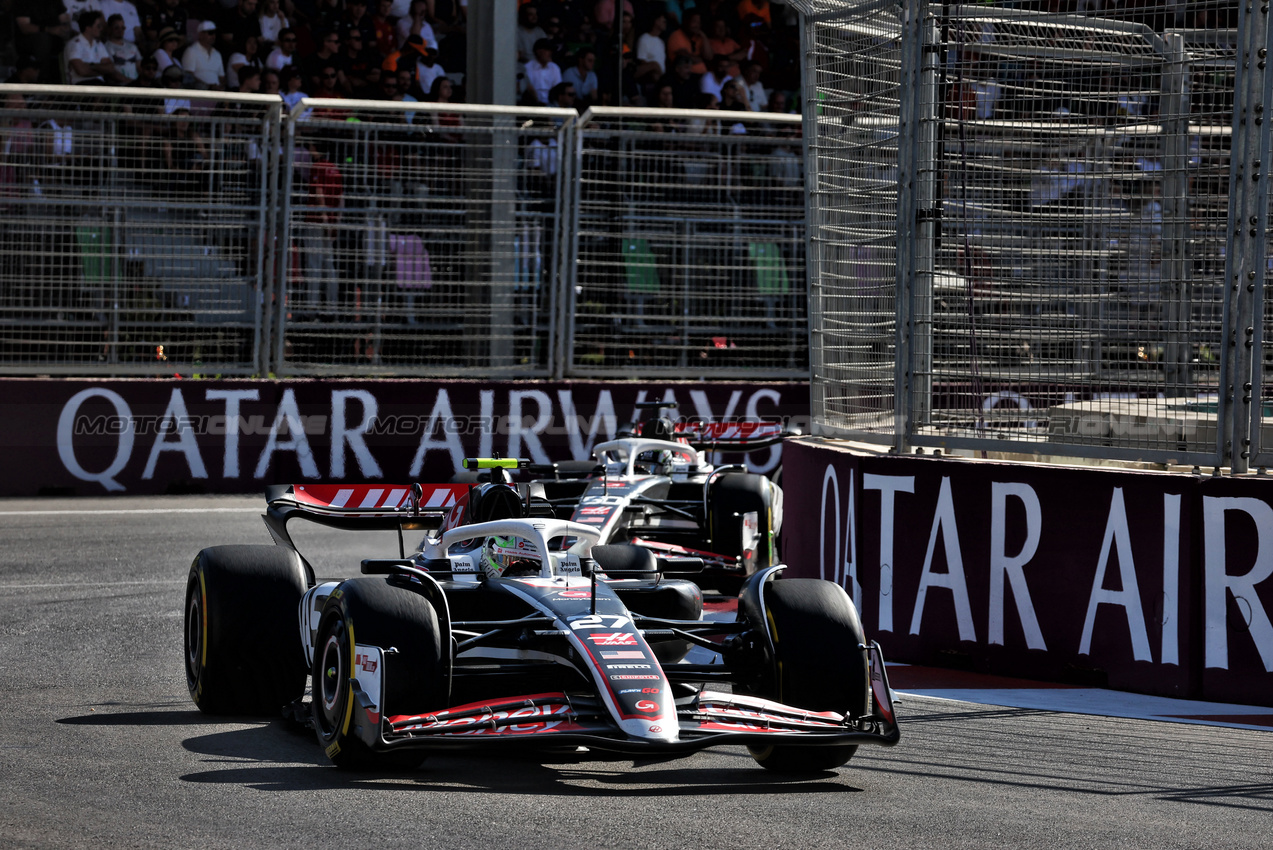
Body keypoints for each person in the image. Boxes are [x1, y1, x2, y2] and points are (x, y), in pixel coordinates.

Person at [14, 0, 71, 83]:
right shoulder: (23, 2)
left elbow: (64, 19)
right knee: (43, 39)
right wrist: (49, 30)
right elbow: (24, 27)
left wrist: (65, 28)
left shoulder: (55, 2)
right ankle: (42, 80)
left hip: (55, 40)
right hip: (30, 42)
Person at [66, 11, 127, 85]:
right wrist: (101, 70)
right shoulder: (75, 44)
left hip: (99, 84)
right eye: (98, 26)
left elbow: (111, 68)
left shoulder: (99, 44)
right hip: (80, 86)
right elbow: (82, 71)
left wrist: (91, 66)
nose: (101, 29)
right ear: (88, 28)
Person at [182, 20, 226, 89]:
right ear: (201, 34)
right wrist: (208, 87)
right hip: (199, 94)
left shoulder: (217, 54)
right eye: (210, 33)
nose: (213, 36)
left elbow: (222, 78)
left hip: (217, 95)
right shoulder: (191, 51)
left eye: (215, 33)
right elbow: (189, 76)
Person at [666, 9, 710, 76]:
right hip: (684, 76)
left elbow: (709, 57)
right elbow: (686, 58)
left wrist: (704, 37)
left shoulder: (698, 36)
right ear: (686, 21)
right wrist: (701, 59)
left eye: (699, 22)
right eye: (694, 21)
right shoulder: (676, 36)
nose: (697, 25)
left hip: (702, 75)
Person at [523, 38, 561, 105]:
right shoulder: (527, 68)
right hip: (532, 105)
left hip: (551, 105)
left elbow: (558, 89)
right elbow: (527, 90)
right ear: (539, 51)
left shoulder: (555, 68)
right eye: (548, 50)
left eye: (551, 50)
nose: (550, 53)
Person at [105, 13, 142, 80]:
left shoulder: (132, 46)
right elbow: (111, 72)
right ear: (109, 28)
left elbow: (139, 66)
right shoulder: (106, 47)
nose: (120, 30)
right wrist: (128, 82)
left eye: (123, 27)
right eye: (116, 28)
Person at [634, 12, 667, 84]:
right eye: (663, 21)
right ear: (656, 21)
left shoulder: (661, 41)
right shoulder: (644, 39)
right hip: (650, 79)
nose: (665, 23)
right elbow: (642, 61)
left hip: (661, 79)